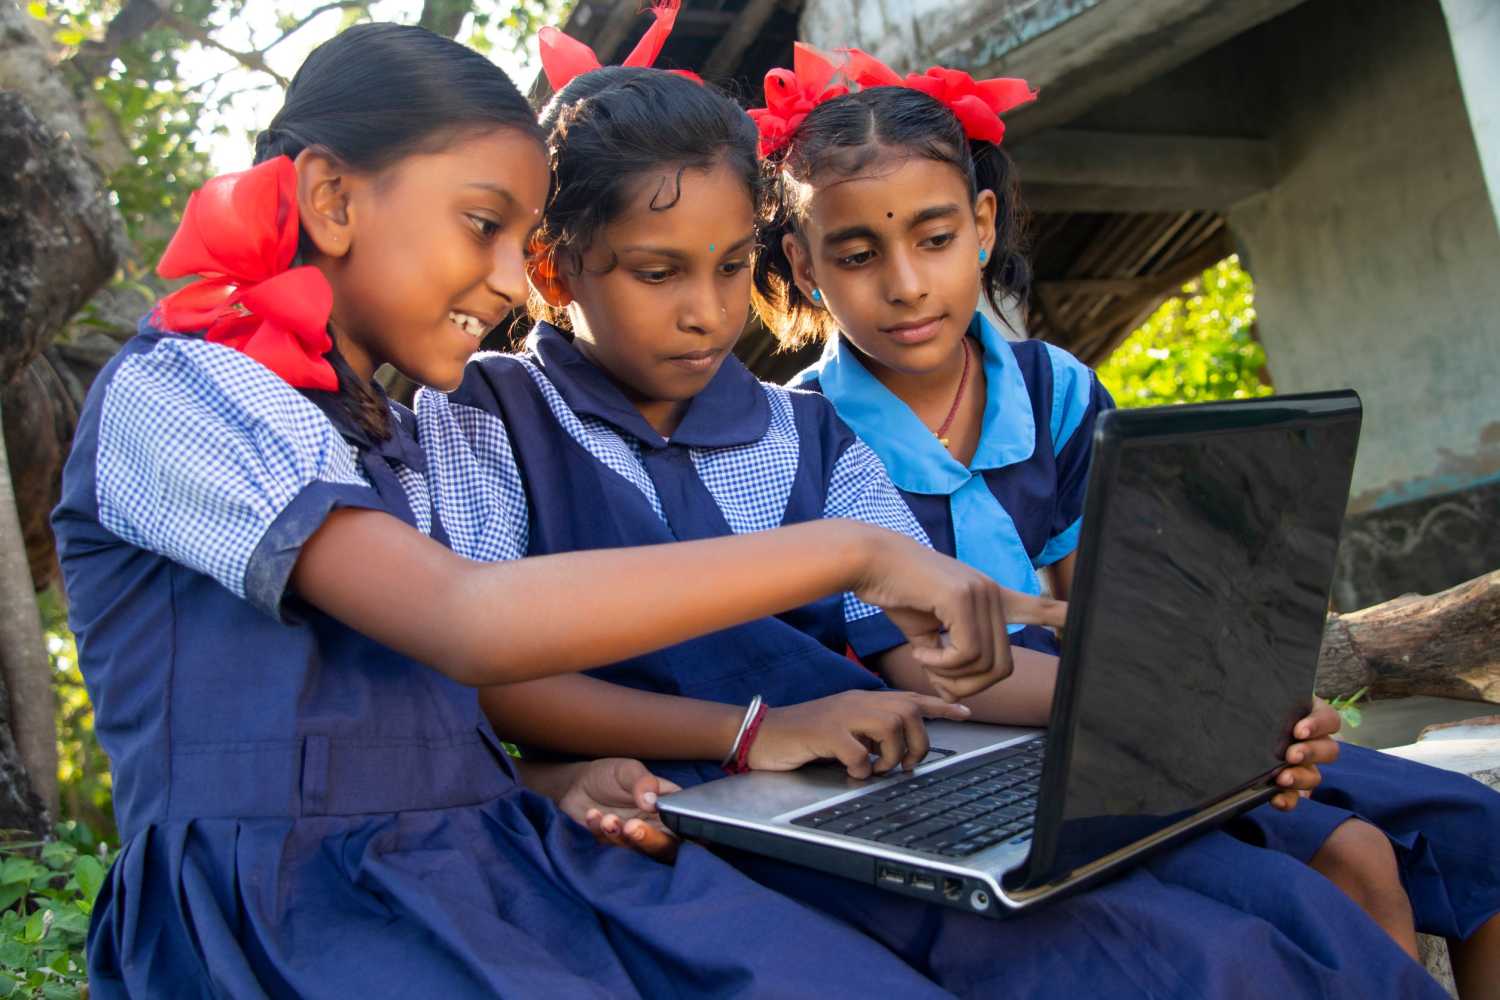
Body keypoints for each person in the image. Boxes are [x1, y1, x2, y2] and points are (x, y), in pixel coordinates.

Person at [50, 22, 1056, 998]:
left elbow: (434, 720)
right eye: (483, 225)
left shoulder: (410, 433)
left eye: (515, 239)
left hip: (491, 850)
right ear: (330, 197)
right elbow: (468, 623)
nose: (503, 281)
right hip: (287, 910)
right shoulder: (180, 392)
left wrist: (551, 783)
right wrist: (849, 553)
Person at [437, 49, 1448, 999]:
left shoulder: (810, 436)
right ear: (555, 270)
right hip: (691, 810)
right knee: (1176, 959)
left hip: (875, 784)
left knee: (1287, 922)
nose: (710, 312)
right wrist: (749, 733)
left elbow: (935, 662)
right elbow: (494, 677)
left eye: (734, 266)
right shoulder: (491, 421)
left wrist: (1195, 716)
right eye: (658, 275)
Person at [760, 47, 1500, 996]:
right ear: (802, 264)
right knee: (1354, 861)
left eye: (934, 240)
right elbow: (930, 675)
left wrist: (1258, 712)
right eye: (858, 256)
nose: (904, 284)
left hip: (1131, 718)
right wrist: (1204, 719)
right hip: (979, 754)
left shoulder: (1054, 390)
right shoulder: (807, 437)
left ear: (982, 227)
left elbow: (1113, 601)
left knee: (1475, 831)